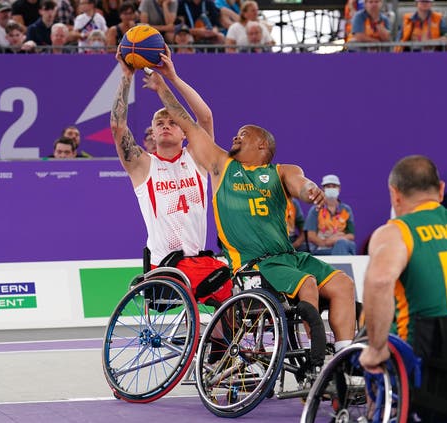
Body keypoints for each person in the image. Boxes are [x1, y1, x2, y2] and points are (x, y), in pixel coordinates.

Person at [142, 63, 356, 352]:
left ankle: (344, 356)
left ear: (262, 146)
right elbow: (191, 121)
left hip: (290, 257)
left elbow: (301, 183)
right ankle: (316, 356)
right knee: (306, 284)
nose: (235, 136)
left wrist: (311, 191)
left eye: (244, 134)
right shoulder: (221, 165)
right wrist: (166, 83)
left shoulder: (282, 170)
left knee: (343, 284)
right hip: (255, 264)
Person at [359, 155, 447, 421]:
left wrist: (376, 348)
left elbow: (380, 281)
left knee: (367, 327)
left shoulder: (396, 231)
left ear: (395, 195)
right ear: (441, 190)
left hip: (431, 368)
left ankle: (372, 409)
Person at [110, 45, 233, 310]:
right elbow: (118, 127)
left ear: (185, 133)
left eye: (173, 122)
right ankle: (220, 345)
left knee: (236, 286)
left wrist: (172, 79)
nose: (166, 125)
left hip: (199, 262)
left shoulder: (197, 158)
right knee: (226, 282)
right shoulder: (143, 165)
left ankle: (221, 347)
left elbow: (205, 117)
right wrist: (126, 76)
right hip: (166, 267)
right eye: (159, 123)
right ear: (152, 134)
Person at [305, 174, 356, 255]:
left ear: (339, 189)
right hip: (321, 247)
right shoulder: (316, 209)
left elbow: (351, 235)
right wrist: (326, 242)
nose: (331, 188)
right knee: (345, 252)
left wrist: (337, 239)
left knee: (342, 245)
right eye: (328, 186)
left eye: (334, 186)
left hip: (342, 243)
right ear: (323, 189)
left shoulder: (346, 209)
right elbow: (311, 236)